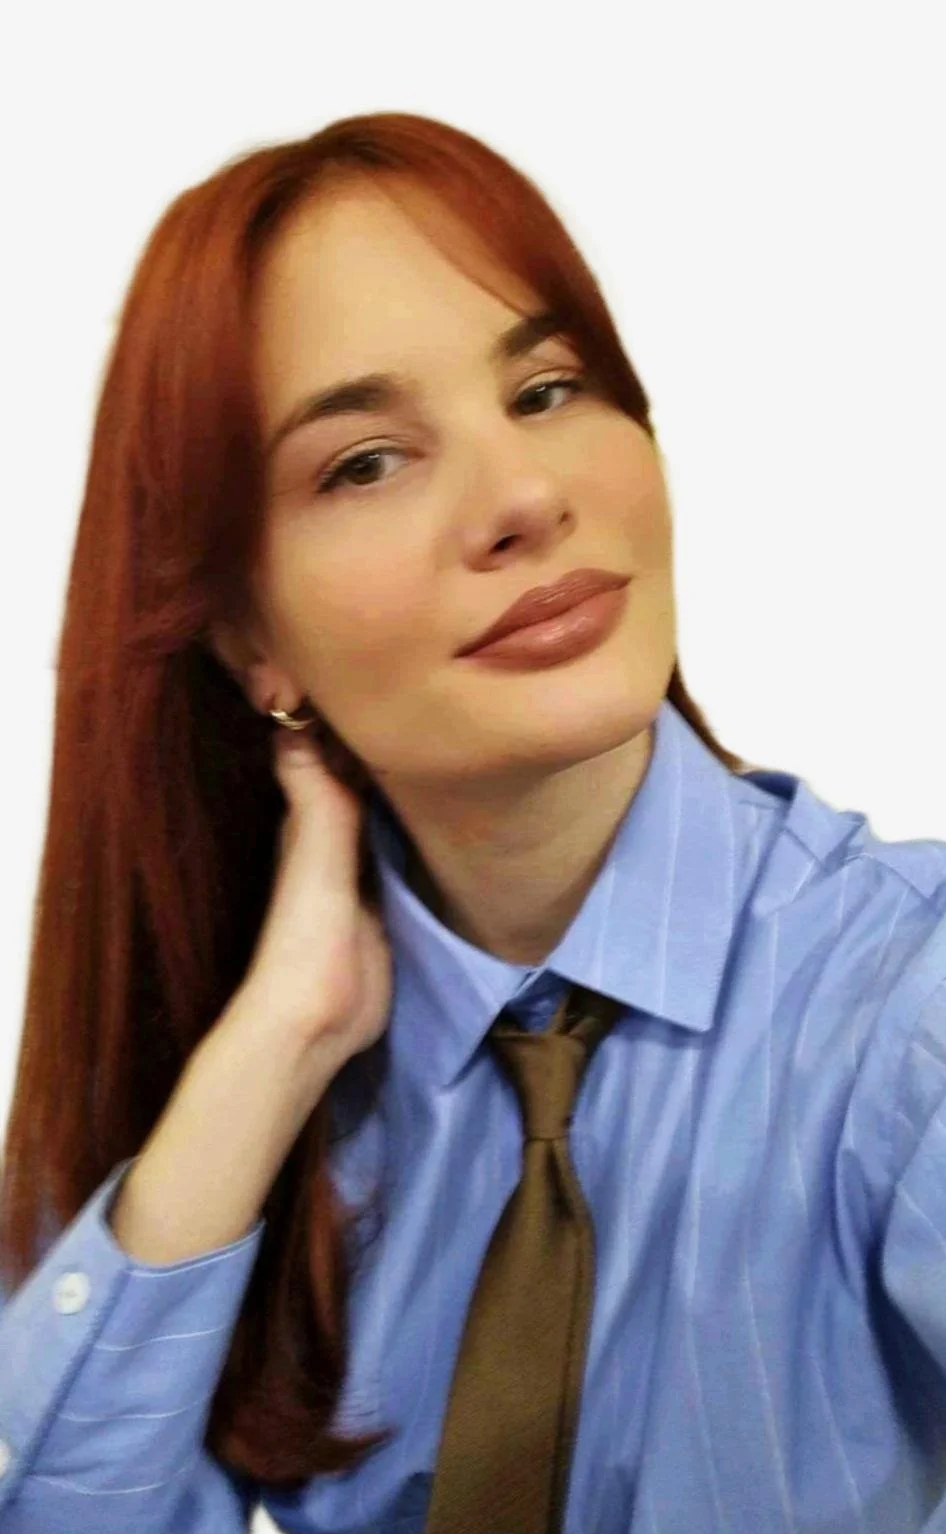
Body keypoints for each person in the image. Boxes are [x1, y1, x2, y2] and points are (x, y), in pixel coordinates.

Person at [0, 110, 944, 1534]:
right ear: (252, 639)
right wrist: (269, 1051)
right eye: (366, 461)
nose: (521, 498)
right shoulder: (262, 1101)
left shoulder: (902, 1011)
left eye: (550, 388)